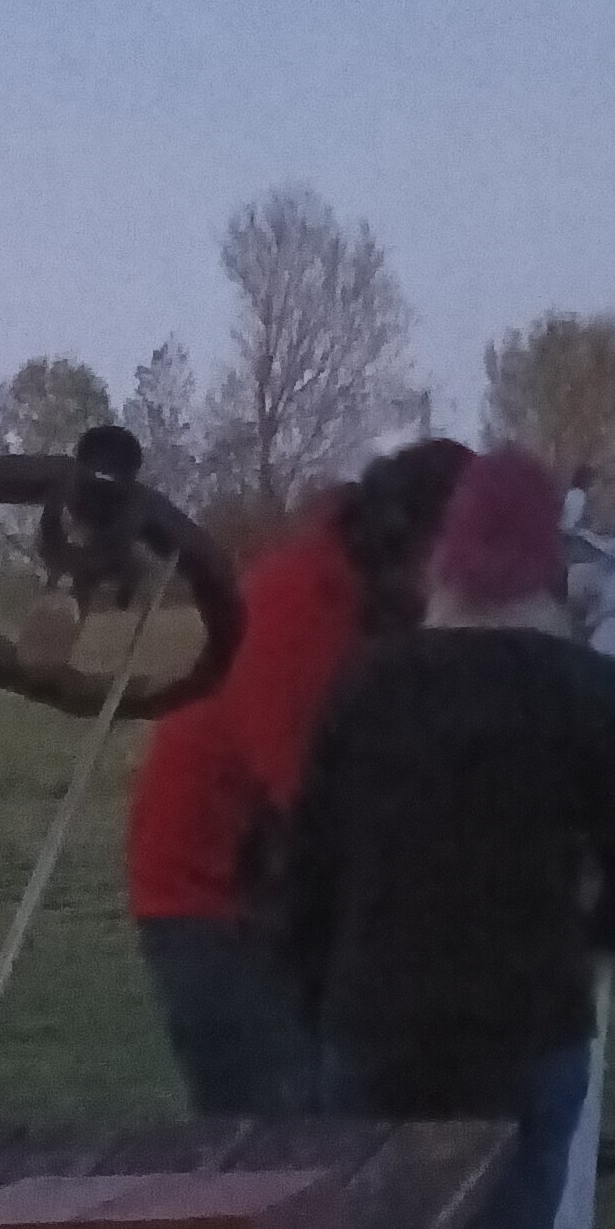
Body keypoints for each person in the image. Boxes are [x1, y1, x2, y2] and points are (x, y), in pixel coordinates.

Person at [273, 444, 615, 1229]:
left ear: (446, 556)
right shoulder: (587, 691)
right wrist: (597, 937)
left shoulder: (368, 684)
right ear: (547, 558)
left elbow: (308, 869)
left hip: (375, 1025)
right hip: (527, 1026)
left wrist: (318, 1001)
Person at [123, 438, 469, 1116]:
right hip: (212, 892)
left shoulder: (369, 602)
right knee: (279, 1129)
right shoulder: (300, 602)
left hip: (280, 887)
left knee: (337, 1106)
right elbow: (308, 788)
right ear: (415, 539)